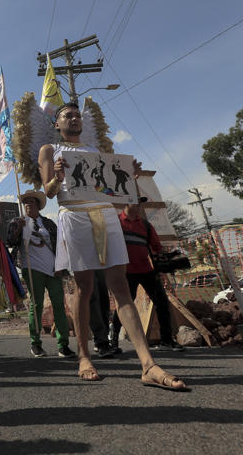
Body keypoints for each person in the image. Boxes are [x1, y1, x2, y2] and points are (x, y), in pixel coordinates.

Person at [39, 102, 187, 390]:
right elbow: (48, 191)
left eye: (77, 114)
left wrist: (128, 181)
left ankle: (148, 364)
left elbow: (110, 192)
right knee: (84, 288)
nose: (74, 118)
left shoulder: (96, 152)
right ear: (57, 124)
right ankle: (84, 355)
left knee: (120, 287)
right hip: (74, 215)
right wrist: (57, 178)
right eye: (67, 115)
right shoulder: (49, 150)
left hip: (106, 214)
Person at [7, 190, 75, 358]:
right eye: (26, 202)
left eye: (31, 201)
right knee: (36, 304)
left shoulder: (48, 223)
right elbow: (10, 241)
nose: (28, 204)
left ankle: (63, 344)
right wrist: (18, 229)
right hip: (32, 268)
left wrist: (61, 265)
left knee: (59, 304)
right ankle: (35, 343)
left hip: (53, 268)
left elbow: (60, 244)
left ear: (38, 205)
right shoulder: (17, 222)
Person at [112, 198, 185, 352]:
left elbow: (157, 247)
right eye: (135, 203)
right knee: (123, 306)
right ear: (126, 203)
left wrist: (169, 260)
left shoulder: (145, 225)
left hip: (147, 271)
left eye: (140, 203)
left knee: (162, 303)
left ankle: (167, 341)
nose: (139, 206)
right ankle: (113, 342)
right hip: (125, 273)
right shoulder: (115, 222)